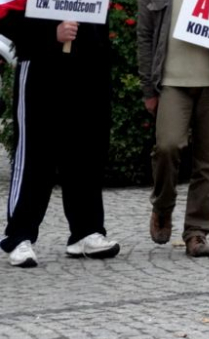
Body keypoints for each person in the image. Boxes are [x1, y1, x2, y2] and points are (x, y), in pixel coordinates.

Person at [137, 0, 209, 258]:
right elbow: (144, 37)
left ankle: (196, 231)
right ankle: (163, 206)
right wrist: (148, 89)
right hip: (171, 82)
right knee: (168, 146)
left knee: (208, 163)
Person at [0, 15, 120, 268]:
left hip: (87, 65)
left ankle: (85, 230)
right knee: (35, 152)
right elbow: (6, 9)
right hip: (40, 64)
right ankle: (19, 235)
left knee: (86, 151)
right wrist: (49, 35)